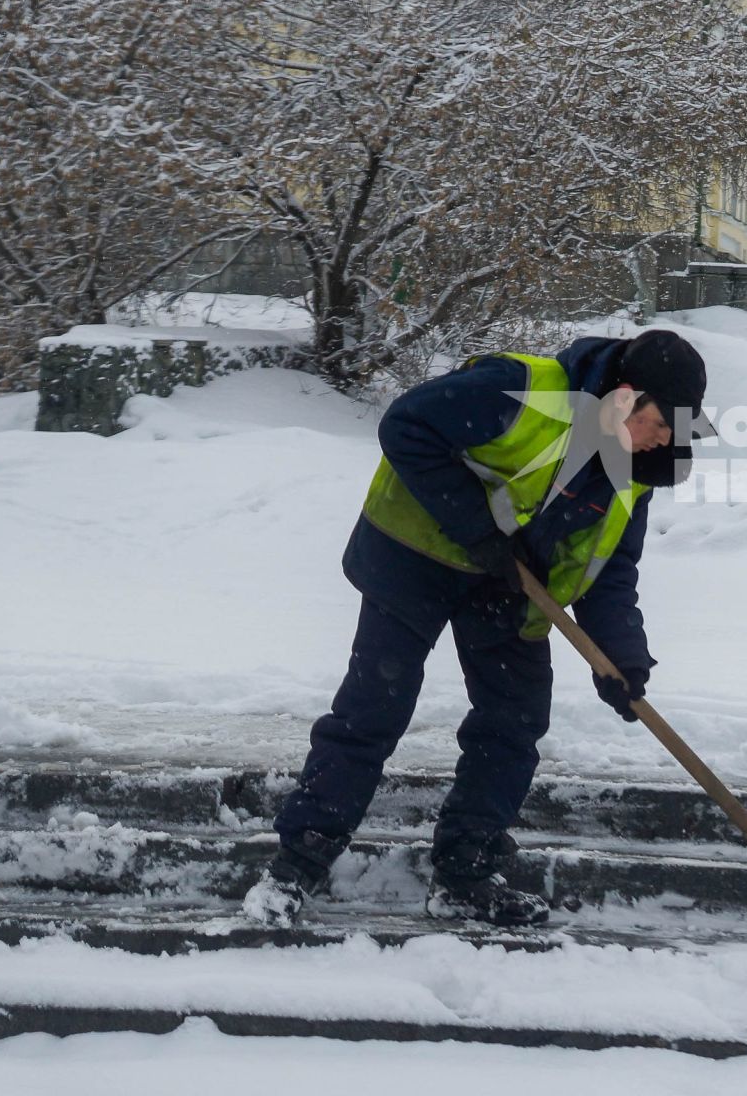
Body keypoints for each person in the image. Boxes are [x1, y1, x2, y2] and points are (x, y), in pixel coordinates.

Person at [243, 329, 712, 928]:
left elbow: (610, 567)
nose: (666, 439)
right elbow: (405, 426)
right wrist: (479, 532)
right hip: (414, 556)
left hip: (506, 585)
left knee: (514, 720)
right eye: (662, 422)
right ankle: (296, 864)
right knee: (373, 709)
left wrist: (622, 659)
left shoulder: (633, 465)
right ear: (625, 396)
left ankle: (465, 871)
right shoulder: (521, 391)